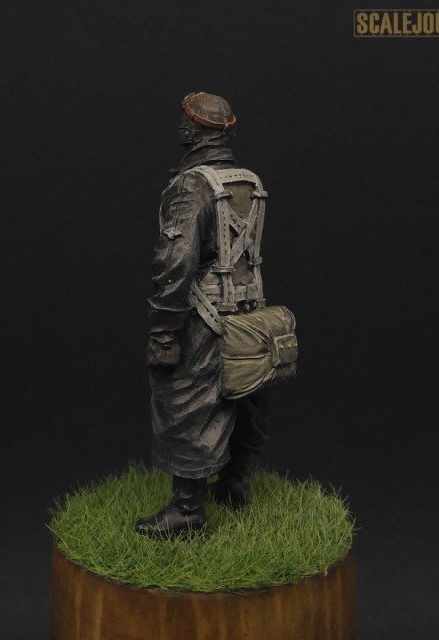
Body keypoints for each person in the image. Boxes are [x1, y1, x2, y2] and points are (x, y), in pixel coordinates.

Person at [135, 92, 269, 538]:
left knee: (186, 403)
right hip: (249, 313)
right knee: (240, 394)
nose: (181, 127)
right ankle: (235, 485)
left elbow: (175, 261)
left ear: (195, 130)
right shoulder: (248, 180)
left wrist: (163, 331)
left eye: (186, 121)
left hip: (203, 315)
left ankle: (188, 510)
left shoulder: (191, 186)